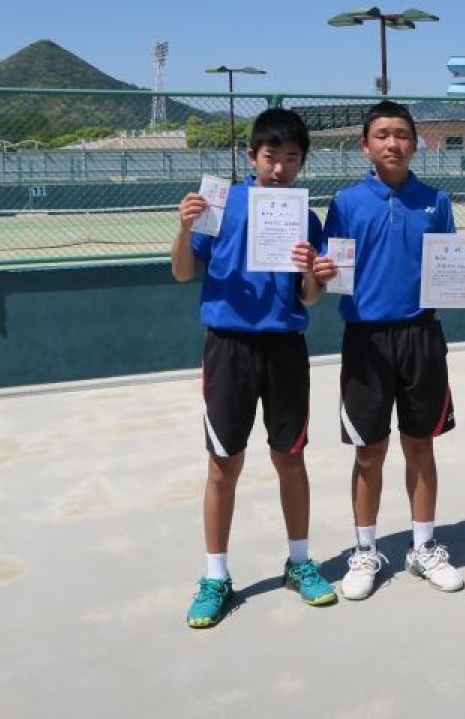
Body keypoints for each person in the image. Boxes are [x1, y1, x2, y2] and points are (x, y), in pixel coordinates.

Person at [172, 107, 337, 629]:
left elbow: (309, 299)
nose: (281, 168)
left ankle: (300, 562)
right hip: (228, 348)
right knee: (224, 464)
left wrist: (316, 273)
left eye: (292, 158)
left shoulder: (306, 217)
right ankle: (215, 576)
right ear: (252, 156)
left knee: (290, 458)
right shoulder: (218, 204)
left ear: (303, 162)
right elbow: (181, 271)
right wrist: (182, 227)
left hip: (285, 347)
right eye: (272, 156)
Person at [322, 100, 465, 600]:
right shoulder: (347, 203)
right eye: (382, 135)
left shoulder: (435, 201)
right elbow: (334, 275)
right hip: (366, 341)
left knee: (421, 445)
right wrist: (322, 275)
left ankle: (423, 546)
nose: (392, 143)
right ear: (366, 144)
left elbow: (448, 271)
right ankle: (365, 550)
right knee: (369, 452)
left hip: (421, 338)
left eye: (401, 135)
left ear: (415, 144)